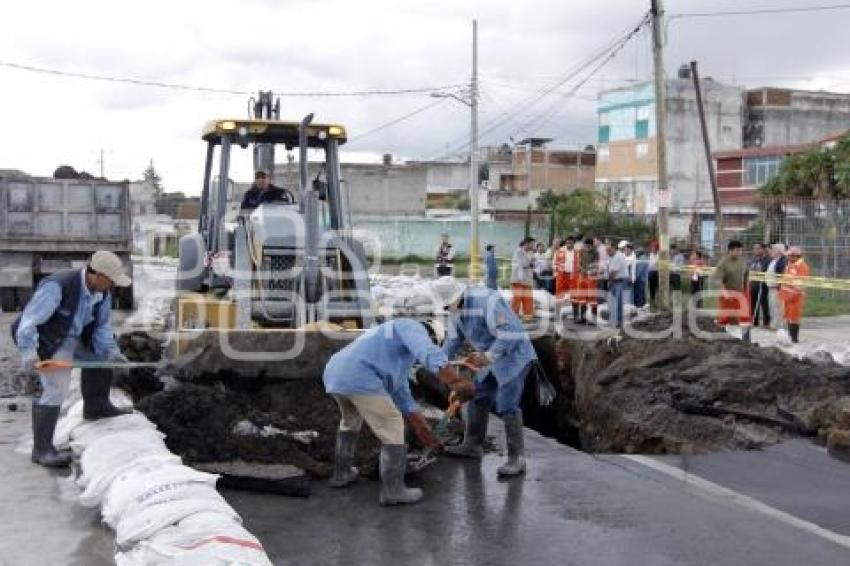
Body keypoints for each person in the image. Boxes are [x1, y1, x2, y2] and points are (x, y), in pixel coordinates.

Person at [322, 318, 473, 505]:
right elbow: (426, 351)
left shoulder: (390, 347)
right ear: (430, 334)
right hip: (361, 376)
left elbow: (401, 392)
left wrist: (421, 427)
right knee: (392, 426)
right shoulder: (411, 326)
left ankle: (342, 473)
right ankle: (393, 491)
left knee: (350, 421)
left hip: (336, 373)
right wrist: (455, 381)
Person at [12, 251, 133, 467]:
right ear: (97, 275)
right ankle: (42, 450)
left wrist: (111, 352)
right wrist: (29, 351)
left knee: (100, 356)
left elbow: (102, 328)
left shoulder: (102, 293)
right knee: (57, 387)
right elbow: (29, 321)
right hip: (47, 339)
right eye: (111, 281)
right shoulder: (58, 286)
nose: (113, 286)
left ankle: (96, 406)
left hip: (72, 336)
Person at [432, 278, 538, 477]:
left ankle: (517, 458)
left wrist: (489, 356)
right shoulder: (456, 311)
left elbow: (511, 332)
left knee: (507, 404)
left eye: (448, 304)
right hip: (489, 359)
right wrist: (437, 362)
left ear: (458, 296)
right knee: (478, 396)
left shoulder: (487, 301)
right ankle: (472, 445)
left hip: (514, 356)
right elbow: (453, 340)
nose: (447, 309)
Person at [712, 240, 752, 342]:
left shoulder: (743, 261)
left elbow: (746, 274)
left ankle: (746, 340)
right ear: (730, 250)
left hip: (741, 293)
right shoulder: (723, 263)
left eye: (741, 250)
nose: (740, 252)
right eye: (737, 250)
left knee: (745, 316)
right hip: (727, 293)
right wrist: (724, 292)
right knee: (724, 316)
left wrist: (746, 289)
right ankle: (718, 338)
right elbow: (717, 279)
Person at [779, 246, 810, 343]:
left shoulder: (802, 266)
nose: (789, 258)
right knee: (788, 317)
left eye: (791, 256)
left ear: (797, 256)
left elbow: (801, 283)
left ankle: (794, 339)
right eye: (788, 256)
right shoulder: (790, 264)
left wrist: (792, 289)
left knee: (794, 318)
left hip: (796, 297)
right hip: (788, 296)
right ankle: (790, 337)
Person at [574, 237, 599, 324]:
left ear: (592, 246)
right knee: (582, 297)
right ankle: (583, 317)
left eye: (589, 246)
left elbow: (596, 264)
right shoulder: (581, 251)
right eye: (586, 246)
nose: (587, 248)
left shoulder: (596, 253)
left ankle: (593, 319)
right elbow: (578, 263)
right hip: (582, 276)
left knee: (592, 298)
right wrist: (581, 269)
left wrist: (589, 270)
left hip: (591, 277)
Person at [510, 237, 536, 320]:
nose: (533, 246)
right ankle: (513, 317)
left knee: (528, 299)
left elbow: (531, 265)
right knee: (517, 298)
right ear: (527, 243)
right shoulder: (518, 251)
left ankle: (528, 317)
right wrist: (531, 262)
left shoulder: (531, 253)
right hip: (518, 279)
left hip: (527, 279)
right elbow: (523, 264)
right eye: (532, 244)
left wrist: (532, 263)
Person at [765, 243, 788, 330]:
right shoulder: (774, 260)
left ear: (779, 251)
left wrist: (780, 286)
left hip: (777, 288)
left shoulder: (782, 261)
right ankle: (773, 324)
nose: (772, 252)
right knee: (772, 307)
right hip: (771, 287)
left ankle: (778, 325)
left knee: (777, 307)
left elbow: (782, 275)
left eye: (774, 250)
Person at [748, 243, 772, 327]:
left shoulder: (767, 260)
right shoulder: (753, 260)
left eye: (758, 248)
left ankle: (766, 322)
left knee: (764, 304)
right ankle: (754, 321)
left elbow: (767, 272)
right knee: (753, 304)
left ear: (763, 249)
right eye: (754, 249)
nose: (756, 250)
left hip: (762, 285)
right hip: (753, 285)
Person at [608, 241, 629, 328]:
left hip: (620, 281)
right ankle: (617, 320)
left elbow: (613, 272)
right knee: (616, 302)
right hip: (617, 281)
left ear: (613, 248)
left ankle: (619, 321)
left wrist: (610, 283)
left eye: (609, 250)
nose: (608, 252)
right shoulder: (613, 256)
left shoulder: (618, 257)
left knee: (617, 303)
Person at [554, 237, 578, 312]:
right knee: (559, 293)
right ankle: (558, 311)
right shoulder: (560, 251)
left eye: (571, 243)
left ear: (574, 243)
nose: (569, 245)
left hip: (573, 275)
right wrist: (556, 272)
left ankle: (575, 313)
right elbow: (554, 263)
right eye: (567, 243)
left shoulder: (577, 252)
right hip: (561, 275)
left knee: (574, 293)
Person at [647, 240, 660, 308]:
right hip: (651, 273)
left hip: (657, 273)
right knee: (651, 288)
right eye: (652, 247)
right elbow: (649, 264)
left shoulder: (659, 255)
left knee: (658, 288)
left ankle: (658, 301)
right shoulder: (650, 255)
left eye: (654, 247)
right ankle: (652, 301)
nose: (652, 249)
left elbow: (656, 264)